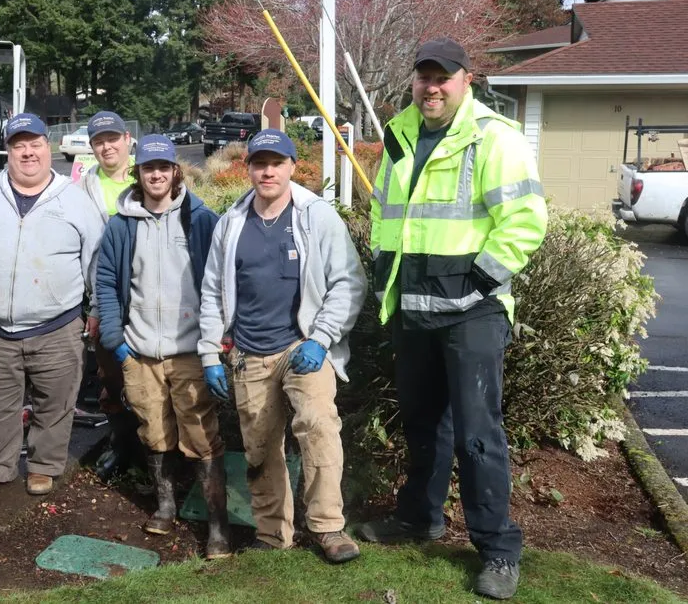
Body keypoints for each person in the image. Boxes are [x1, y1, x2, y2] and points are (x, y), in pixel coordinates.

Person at [355, 37, 548, 600]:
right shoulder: (400, 133)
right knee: (421, 425)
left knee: (478, 436)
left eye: (443, 77)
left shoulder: (494, 138)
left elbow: (526, 219)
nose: (431, 87)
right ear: (413, 80)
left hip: (472, 313)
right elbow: (386, 211)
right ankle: (420, 518)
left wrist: (480, 280)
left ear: (467, 79)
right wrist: (383, 270)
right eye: (423, 77)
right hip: (413, 307)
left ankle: (498, 551)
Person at [198, 129, 367, 564]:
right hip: (248, 352)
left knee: (318, 425)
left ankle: (329, 529)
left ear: (293, 166)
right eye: (259, 163)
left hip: (302, 346)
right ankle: (274, 535)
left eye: (276, 162)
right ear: (248, 167)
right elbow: (213, 290)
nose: (267, 171)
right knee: (259, 447)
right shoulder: (231, 224)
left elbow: (348, 282)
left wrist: (322, 337)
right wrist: (209, 354)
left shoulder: (316, 216)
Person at [0, 113, 103, 497]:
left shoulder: (75, 200)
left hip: (57, 325)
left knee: (56, 401)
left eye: (35, 144)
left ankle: (44, 466)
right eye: (19, 145)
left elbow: (96, 260)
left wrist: (95, 309)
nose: (28, 152)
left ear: (48, 147)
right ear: (8, 150)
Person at [95, 134, 228, 559]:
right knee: (153, 433)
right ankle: (166, 506)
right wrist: (116, 342)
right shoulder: (120, 225)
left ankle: (217, 526)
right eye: (148, 168)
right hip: (139, 352)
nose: (156, 175)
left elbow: (219, 282)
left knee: (202, 438)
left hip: (189, 350)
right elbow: (106, 285)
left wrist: (215, 342)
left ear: (176, 172)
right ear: (138, 173)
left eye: (163, 168)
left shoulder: (200, 220)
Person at [77, 110, 141, 480]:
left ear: (127, 139)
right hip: (105, 300)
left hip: (149, 299)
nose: (107, 146)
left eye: (113, 138)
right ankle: (122, 449)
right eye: (99, 141)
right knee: (111, 378)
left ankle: (158, 452)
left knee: (155, 378)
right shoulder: (83, 188)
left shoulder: (149, 176)